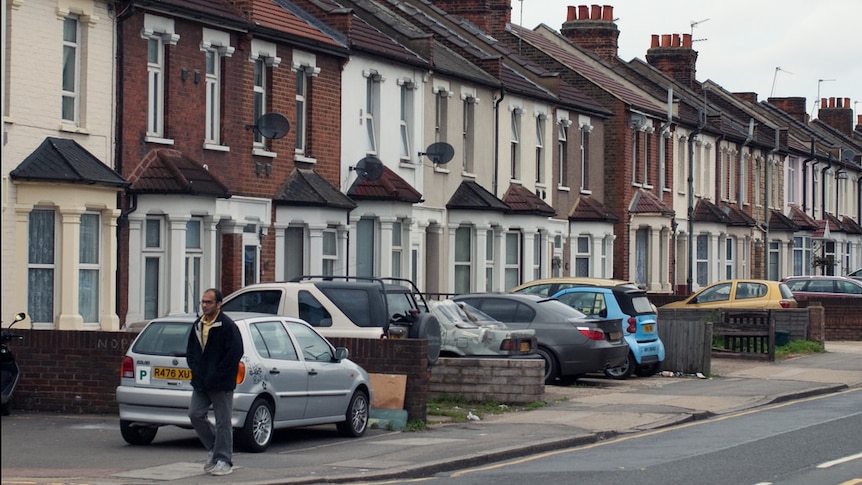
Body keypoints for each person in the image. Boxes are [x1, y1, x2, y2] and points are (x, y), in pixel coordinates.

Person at [186, 288, 244, 476]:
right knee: (195, 414)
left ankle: (224, 460)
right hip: (201, 382)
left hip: (221, 383)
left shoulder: (227, 326)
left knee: (223, 421)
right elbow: (192, 352)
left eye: (209, 302)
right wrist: (196, 370)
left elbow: (235, 352)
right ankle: (214, 449)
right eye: (203, 302)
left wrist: (219, 374)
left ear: (219, 304)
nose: (205, 305)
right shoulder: (198, 325)